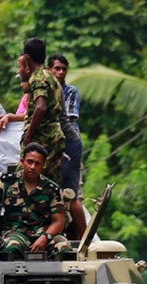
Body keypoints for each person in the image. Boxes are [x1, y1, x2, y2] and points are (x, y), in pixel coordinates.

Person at [0, 143, 69, 259]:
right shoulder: (8, 182)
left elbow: (59, 221)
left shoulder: (51, 189)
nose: (32, 167)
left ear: (43, 166)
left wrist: (45, 238)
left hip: (44, 232)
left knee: (63, 248)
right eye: (29, 162)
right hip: (16, 232)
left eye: (37, 164)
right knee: (11, 248)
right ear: (22, 161)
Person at [48, 53, 87, 239]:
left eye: (63, 69)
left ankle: (84, 238)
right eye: (57, 68)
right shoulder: (44, 90)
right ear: (49, 70)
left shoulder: (69, 92)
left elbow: (67, 121)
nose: (61, 72)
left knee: (71, 195)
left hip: (68, 145)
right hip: (52, 147)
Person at [19, 38, 64, 184]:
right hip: (54, 135)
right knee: (50, 183)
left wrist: (29, 135)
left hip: (42, 137)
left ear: (27, 58)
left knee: (29, 180)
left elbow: (40, 107)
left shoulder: (38, 78)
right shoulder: (49, 75)